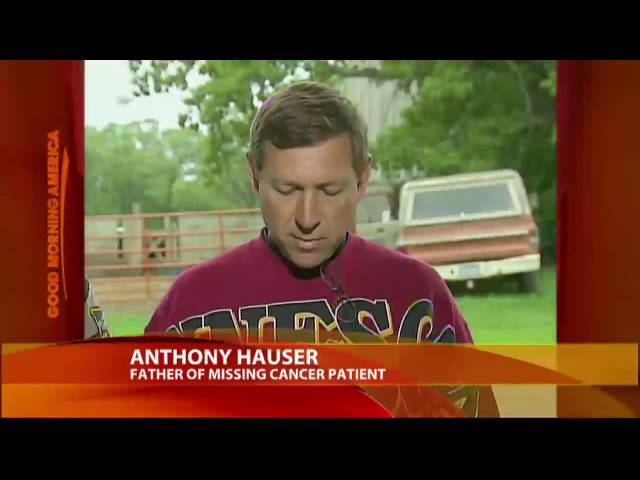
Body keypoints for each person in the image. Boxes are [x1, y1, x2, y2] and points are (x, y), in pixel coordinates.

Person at [145, 81, 499, 417]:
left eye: (329, 191)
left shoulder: (417, 293)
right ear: (254, 175)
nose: (307, 218)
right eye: (287, 190)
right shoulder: (193, 304)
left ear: (362, 178)